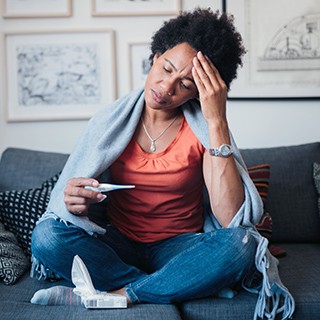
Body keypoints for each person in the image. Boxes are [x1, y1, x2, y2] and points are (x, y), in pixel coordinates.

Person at [30, 8, 294, 319]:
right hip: (117, 244)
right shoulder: (109, 123)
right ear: (156, 55)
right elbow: (72, 206)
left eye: (185, 84)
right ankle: (180, 284)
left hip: (179, 248)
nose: (167, 87)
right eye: (167, 68)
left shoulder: (204, 130)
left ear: (200, 93)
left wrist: (217, 119)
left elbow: (229, 219)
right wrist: (76, 201)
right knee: (46, 236)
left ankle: (118, 294)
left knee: (244, 245)